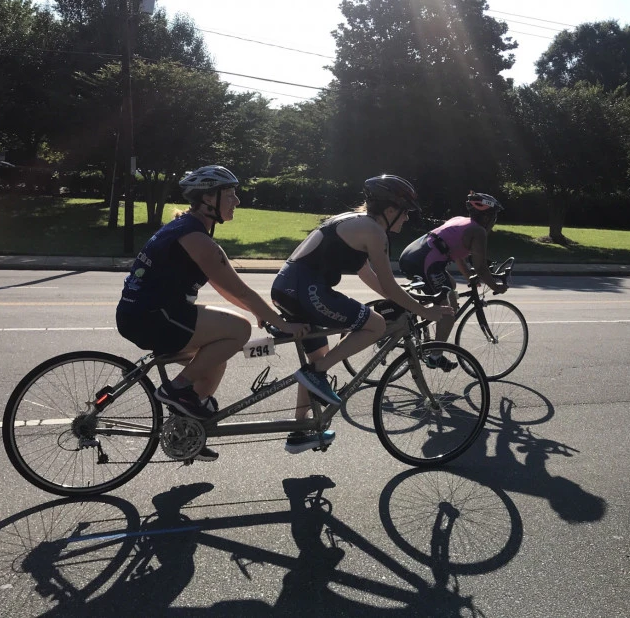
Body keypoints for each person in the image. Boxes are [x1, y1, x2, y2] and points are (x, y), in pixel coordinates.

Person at [116, 165, 308, 461]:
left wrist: (265, 316)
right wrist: (282, 323)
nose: (237, 201)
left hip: (148, 314)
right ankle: (177, 389)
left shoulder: (189, 229)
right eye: (230, 194)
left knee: (216, 358)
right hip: (153, 316)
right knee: (239, 330)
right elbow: (242, 292)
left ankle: (188, 433)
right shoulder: (197, 239)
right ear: (208, 198)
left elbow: (227, 288)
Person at [271, 174, 455, 454]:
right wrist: (424, 312)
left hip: (289, 287)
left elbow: (368, 275)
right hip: (306, 289)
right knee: (376, 325)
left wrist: (405, 301)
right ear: (390, 210)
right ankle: (317, 374)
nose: (407, 219)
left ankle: (300, 429)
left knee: (317, 357)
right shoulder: (374, 232)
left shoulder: (352, 222)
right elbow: (390, 283)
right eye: (405, 213)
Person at [398, 191, 507, 370]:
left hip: (414, 254)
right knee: (448, 312)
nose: (494, 221)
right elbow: (480, 267)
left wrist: (468, 278)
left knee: (451, 287)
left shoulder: (460, 220)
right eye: (494, 216)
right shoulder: (478, 231)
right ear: (487, 217)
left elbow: (458, 257)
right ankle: (435, 356)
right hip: (424, 262)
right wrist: (496, 287)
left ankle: (420, 319)